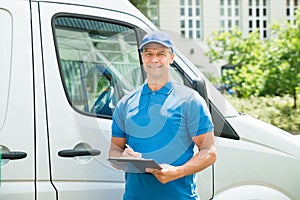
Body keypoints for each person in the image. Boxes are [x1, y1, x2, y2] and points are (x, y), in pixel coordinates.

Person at [109, 30, 216, 200]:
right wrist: (123, 158)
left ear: (171, 58)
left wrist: (177, 171)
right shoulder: (125, 103)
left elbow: (209, 151)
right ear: (142, 57)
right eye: (149, 54)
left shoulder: (189, 100)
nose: (154, 60)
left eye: (161, 54)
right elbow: (115, 150)